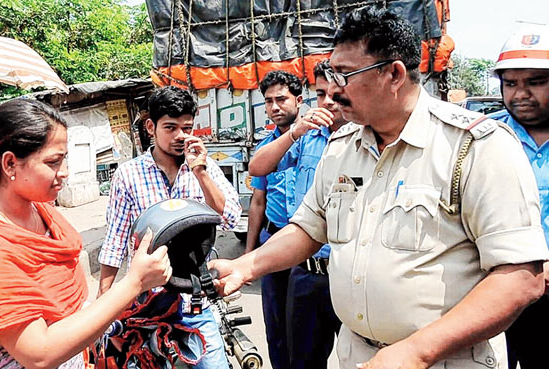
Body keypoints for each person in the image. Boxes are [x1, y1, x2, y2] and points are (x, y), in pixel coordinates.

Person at [210, 6, 548, 369]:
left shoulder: (475, 146)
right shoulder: (342, 147)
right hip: (357, 355)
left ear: (394, 74)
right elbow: (307, 229)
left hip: (446, 360)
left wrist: (419, 350)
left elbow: (521, 278)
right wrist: (246, 267)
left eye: (344, 76)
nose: (332, 93)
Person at [0, 99, 171, 369]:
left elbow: (72, 303)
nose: (64, 172)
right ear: (10, 164)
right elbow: (39, 354)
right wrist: (134, 282)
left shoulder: (43, 212)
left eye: (64, 159)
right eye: (53, 162)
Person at [97, 86, 241, 369]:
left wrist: (200, 172)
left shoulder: (203, 167)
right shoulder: (129, 175)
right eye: (170, 127)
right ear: (151, 126)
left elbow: (230, 219)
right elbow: (115, 242)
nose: (179, 137)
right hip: (146, 302)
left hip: (195, 298)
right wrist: (104, 305)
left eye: (186, 128)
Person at [249, 60, 344, 369]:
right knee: (297, 354)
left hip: (348, 270)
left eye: (335, 93)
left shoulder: (368, 139)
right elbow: (257, 170)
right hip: (303, 267)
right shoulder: (305, 138)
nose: (328, 101)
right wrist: (295, 133)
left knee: (361, 356)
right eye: (321, 94)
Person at [488, 25, 549, 369]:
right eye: (511, 84)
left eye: (536, 82)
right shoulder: (484, 138)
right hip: (495, 293)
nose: (521, 93)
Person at [246, 70, 306, 369]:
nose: (274, 107)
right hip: (273, 240)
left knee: (307, 328)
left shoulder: (318, 139)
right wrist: (248, 256)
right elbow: (258, 202)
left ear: (299, 99)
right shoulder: (265, 148)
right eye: (268, 101)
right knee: (276, 324)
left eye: (281, 99)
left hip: (309, 248)